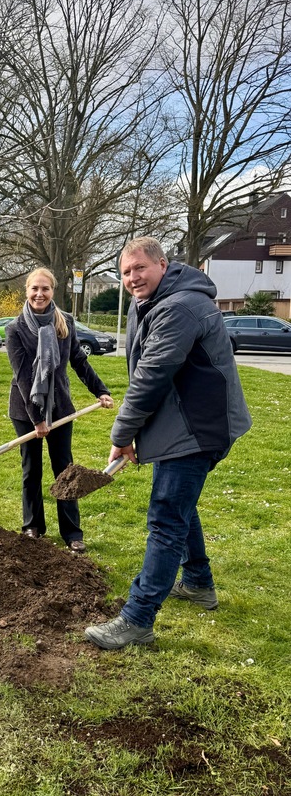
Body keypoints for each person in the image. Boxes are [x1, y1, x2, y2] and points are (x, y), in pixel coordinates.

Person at [85, 237, 252, 650]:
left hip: (198, 430)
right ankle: (198, 582)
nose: (131, 278)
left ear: (162, 264)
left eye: (139, 268)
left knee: (165, 519)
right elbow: (151, 374)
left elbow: (151, 376)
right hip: (183, 424)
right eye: (124, 272)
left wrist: (122, 435)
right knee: (179, 506)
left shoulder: (179, 306)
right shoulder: (151, 303)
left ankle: (137, 619)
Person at [6, 267, 114, 551]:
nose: (39, 294)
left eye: (45, 289)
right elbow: (23, 377)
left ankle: (72, 534)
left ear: (53, 291)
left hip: (61, 408)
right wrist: (38, 419)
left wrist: (100, 390)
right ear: (27, 291)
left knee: (64, 470)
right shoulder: (15, 328)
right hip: (25, 409)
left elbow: (78, 359)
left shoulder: (64, 322)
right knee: (31, 470)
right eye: (34, 289)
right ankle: (32, 526)